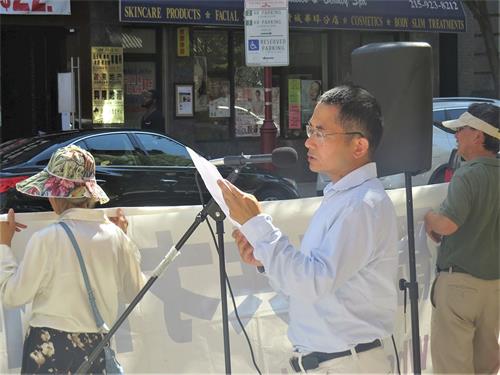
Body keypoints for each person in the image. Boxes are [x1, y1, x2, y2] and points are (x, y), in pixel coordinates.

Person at [218, 85, 398, 373]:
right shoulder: (343, 198)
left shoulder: (362, 205)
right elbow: (304, 286)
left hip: (347, 363)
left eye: (321, 133)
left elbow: (312, 282)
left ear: (359, 146)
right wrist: (265, 259)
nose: (309, 142)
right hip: (331, 361)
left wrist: (258, 226)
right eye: (310, 129)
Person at [0, 145, 146, 374]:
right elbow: (134, 293)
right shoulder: (115, 236)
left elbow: (12, 296)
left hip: (49, 350)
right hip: (95, 349)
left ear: (55, 195)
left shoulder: (46, 239)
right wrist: (126, 240)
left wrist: (4, 247)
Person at [424, 103, 499, 374]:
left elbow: (447, 224)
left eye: (462, 130)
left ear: (478, 136)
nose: (456, 135)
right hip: (494, 287)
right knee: (487, 368)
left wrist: (430, 218)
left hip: (459, 286)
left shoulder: (467, 173)